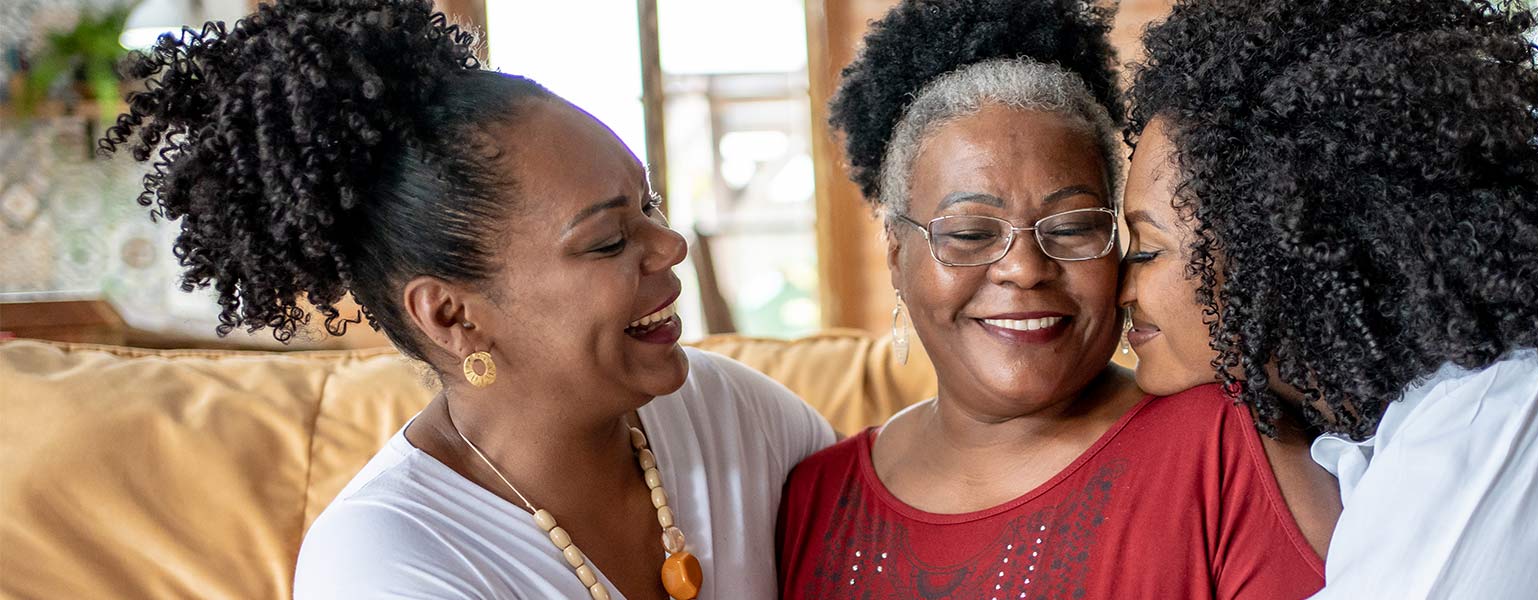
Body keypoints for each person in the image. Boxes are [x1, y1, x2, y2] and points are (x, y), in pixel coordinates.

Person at [98, 1, 834, 598]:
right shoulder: (384, 562)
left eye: (651, 205)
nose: (669, 246)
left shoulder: (732, 414)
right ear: (451, 316)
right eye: (609, 241)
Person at [1119, 0, 1538, 597]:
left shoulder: (1512, 401)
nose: (1123, 287)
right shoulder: (1356, 424)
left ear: (1278, 252)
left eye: (1148, 250)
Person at [776, 1, 1324, 598]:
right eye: (971, 233)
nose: (1024, 269)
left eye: (1071, 228)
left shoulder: (1229, 444)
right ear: (895, 256)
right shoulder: (811, 497)